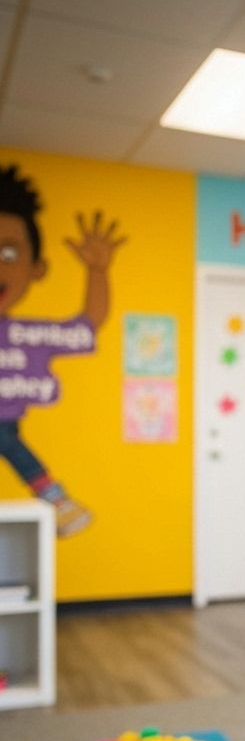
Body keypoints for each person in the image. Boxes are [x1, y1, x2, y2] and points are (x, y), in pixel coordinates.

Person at [0, 164, 126, 536]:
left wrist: (98, 271)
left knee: (6, 435)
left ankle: (57, 500)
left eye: (9, 254)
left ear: (37, 268)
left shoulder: (30, 334)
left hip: (7, 418)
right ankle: (57, 499)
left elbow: (88, 323)